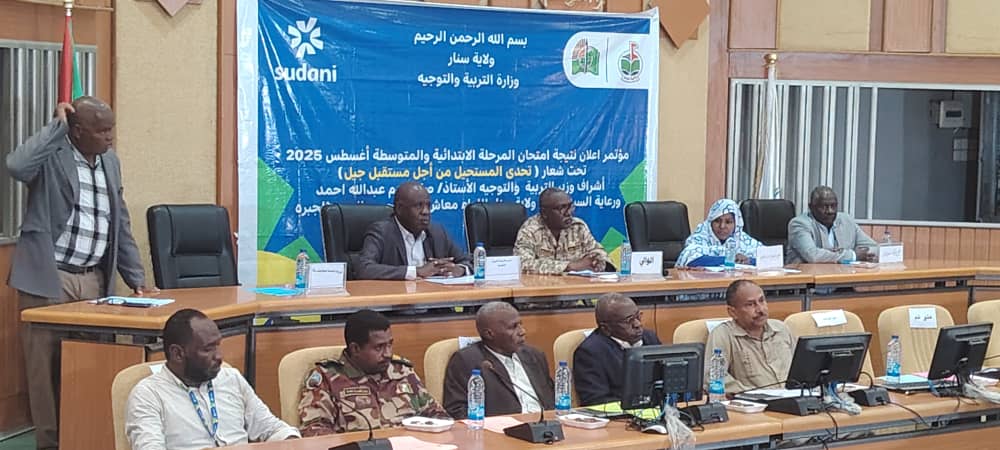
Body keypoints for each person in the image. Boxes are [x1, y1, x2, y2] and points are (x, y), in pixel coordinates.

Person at [6, 97, 148, 450]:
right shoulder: (53, 155)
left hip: (95, 279)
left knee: (90, 363)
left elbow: (120, 221)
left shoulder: (110, 161)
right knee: (44, 368)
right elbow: (16, 165)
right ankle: (50, 443)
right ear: (78, 130)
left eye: (111, 129)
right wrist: (57, 126)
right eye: (102, 130)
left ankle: (86, 437)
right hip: (50, 276)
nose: (110, 136)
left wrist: (135, 276)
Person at [126, 309, 299, 449]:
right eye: (208, 349)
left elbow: (271, 428)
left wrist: (291, 441)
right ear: (178, 354)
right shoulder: (148, 395)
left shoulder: (231, 378)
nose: (219, 356)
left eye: (218, 345)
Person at [298, 310, 448, 435]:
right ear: (355, 349)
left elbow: (438, 416)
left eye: (390, 344)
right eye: (379, 347)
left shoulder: (402, 371)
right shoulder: (327, 378)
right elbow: (314, 430)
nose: (388, 354)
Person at [443, 302, 554, 418]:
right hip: (505, 427)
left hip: (546, 424)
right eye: (513, 327)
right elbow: (457, 410)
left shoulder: (534, 355)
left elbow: (552, 399)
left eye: (520, 324)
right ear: (489, 334)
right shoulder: (467, 361)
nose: (522, 331)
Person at [357, 181, 472, 280]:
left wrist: (460, 269)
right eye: (418, 206)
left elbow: (472, 261)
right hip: (397, 298)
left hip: (432, 297)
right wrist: (416, 272)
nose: (425, 212)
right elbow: (364, 268)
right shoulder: (382, 232)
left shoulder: (437, 232)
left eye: (428, 206)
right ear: (399, 209)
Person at [705, 280, 794, 393]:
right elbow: (714, 379)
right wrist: (753, 394)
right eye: (750, 304)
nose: (760, 309)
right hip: (753, 401)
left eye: (761, 301)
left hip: (794, 397)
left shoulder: (781, 329)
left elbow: (801, 368)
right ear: (732, 312)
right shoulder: (723, 334)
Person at [573, 293, 661, 406]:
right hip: (620, 413)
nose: (638, 324)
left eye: (638, 316)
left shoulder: (649, 337)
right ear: (606, 329)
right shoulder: (590, 352)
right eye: (629, 321)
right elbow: (595, 400)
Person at [513, 187, 610, 274]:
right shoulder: (530, 230)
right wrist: (569, 266)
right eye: (562, 208)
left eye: (570, 206)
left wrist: (597, 262)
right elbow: (522, 264)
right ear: (544, 213)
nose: (568, 213)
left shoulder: (578, 227)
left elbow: (598, 252)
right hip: (541, 287)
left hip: (574, 285)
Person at [787, 186, 877, 264]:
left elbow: (873, 247)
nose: (830, 211)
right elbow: (812, 255)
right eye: (824, 206)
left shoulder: (846, 221)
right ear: (811, 207)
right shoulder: (799, 224)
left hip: (841, 275)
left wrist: (867, 253)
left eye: (833, 206)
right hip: (808, 276)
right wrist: (853, 255)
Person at [676, 198, 763, 267]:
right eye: (717, 221)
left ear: (736, 224)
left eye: (728, 222)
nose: (722, 226)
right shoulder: (700, 237)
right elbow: (690, 259)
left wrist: (749, 261)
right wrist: (730, 258)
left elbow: (766, 258)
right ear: (710, 222)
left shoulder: (743, 240)